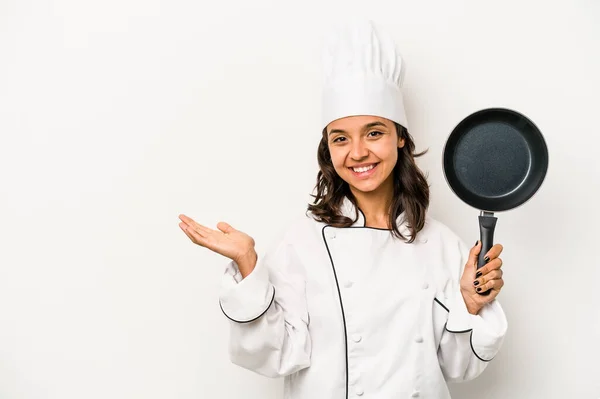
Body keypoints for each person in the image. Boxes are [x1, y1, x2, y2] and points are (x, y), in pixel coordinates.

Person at [178, 19, 507, 399]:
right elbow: (275, 356)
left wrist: (469, 301)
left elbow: (458, 366)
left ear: (400, 137)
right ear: (328, 149)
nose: (358, 153)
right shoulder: (302, 241)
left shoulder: (441, 244)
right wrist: (249, 263)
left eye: (374, 132)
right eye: (340, 138)